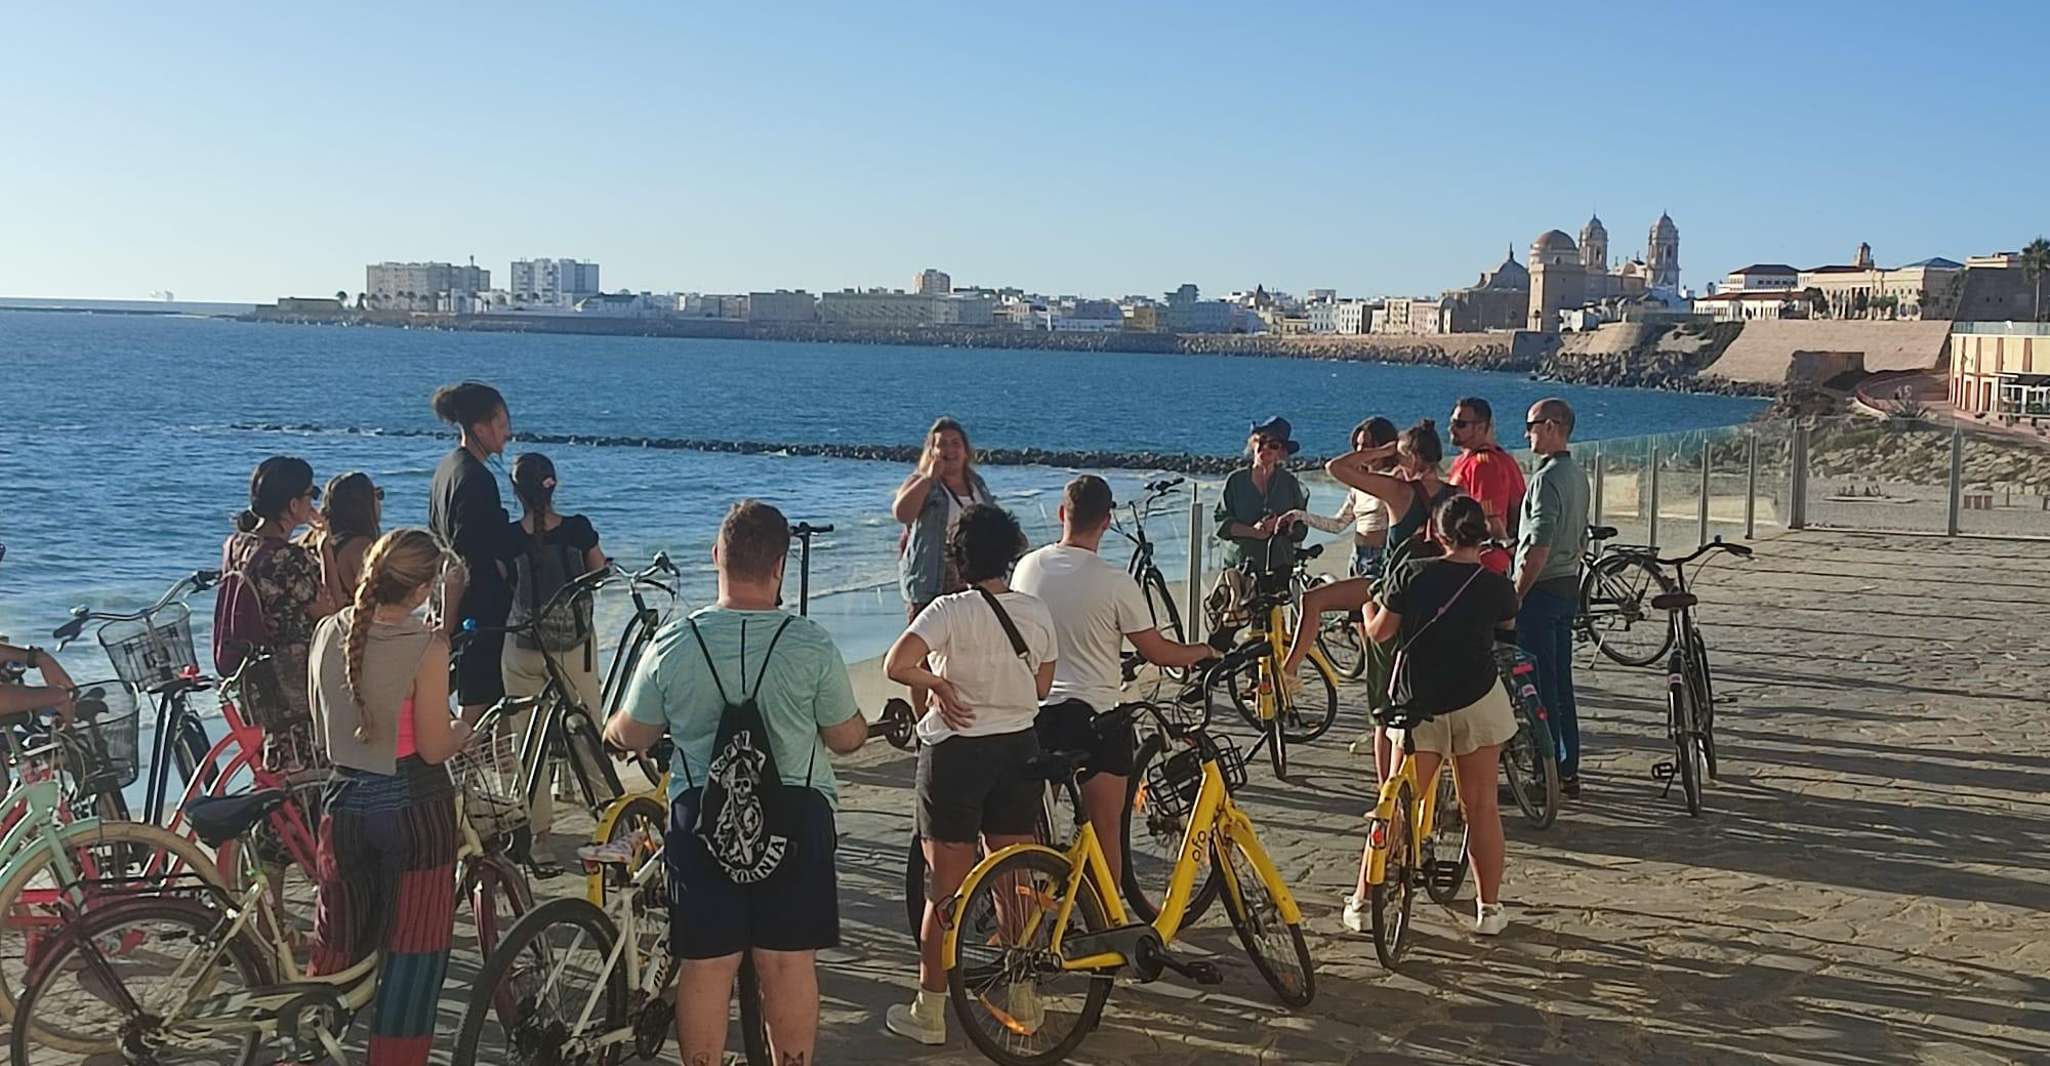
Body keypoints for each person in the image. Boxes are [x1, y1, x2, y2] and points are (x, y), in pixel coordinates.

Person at [605, 500, 866, 1066]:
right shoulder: (810, 643)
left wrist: (614, 729)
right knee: (787, 963)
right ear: (779, 566)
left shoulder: (673, 643)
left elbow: (634, 731)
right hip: (797, 814)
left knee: (707, 965)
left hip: (702, 814)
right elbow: (846, 737)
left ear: (716, 557)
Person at [882, 503, 1055, 1046]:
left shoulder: (948, 611)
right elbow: (1042, 687)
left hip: (956, 755)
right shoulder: (1035, 612)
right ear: (1010, 555)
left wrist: (937, 685)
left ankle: (930, 1011)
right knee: (1014, 881)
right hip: (1018, 750)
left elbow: (896, 664)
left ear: (958, 558)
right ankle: (1022, 996)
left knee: (945, 891)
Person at [306, 529, 475, 1066]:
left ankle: (308, 1048)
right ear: (423, 590)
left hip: (343, 803)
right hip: (413, 807)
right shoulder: (428, 647)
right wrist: (463, 728)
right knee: (412, 960)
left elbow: (322, 727)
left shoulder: (329, 631)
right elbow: (432, 746)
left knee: (335, 951)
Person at [1012, 476, 1216, 891]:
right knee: (1106, 829)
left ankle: (1031, 905)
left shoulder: (1027, 566)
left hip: (1036, 712)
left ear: (1061, 513)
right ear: (1106, 521)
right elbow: (1158, 652)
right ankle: (1105, 914)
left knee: (1032, 824)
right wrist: (1203, 651)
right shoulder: (1116, 582)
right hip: (1095, 718)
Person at [1342, 495, 1519, 938]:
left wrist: (1367, 608)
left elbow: (1380, 633)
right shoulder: (1496, 585)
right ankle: (1489, 909)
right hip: (1476, 700)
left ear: (1436, 534)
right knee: (1482, 807)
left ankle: (1363, 902)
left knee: (1396, 804)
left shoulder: (1412, 574)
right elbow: (1507, 629)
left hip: (1418, 705)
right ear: (1482, 534)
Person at [1279, 420, 1458, 774]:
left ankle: (1385, 790)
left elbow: (1335, 467)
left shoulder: (1400, 491)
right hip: (1438, 598)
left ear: (1411, 457)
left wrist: (1385, 451)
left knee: (1383, 711)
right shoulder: (1456, 494)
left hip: (1394, 592)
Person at [502, 452, 608, 859]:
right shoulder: (578, 529)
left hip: (523, 646)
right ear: (553, 485)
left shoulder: (508, 537)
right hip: (572, 649)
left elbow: (506, 581)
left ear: (516, 492)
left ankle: (539, 836)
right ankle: (608, 819)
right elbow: (597, 572)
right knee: (587, 732)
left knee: (528, 740)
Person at [426, 382, 524, 720]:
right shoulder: (476, 479)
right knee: (479, 710)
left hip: (452, 604)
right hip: (477, 614)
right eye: (502, 424)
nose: (508, 433)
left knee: (478, 707)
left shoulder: (447, 469)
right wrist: (449, 622)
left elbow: (439, 547)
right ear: (480, 428)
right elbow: (465, 559)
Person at [217, 456, 340, 725]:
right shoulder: (289, 558)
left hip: (252, 675)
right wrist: (325, 548)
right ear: (293, 505)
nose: (314, 502)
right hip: (292, 683)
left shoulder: (236, 544)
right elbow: (331, 612)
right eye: (311, 494)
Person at [1514, 398, 1592, 799]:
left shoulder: (1546, 480)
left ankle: (1547, 775)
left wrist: (1516, 594)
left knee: (1540, 686)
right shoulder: (1577, 475)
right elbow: (1581, 538)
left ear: (1552, 426)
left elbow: (1538, 545)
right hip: (1567, 586)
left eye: (1531, 425)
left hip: (1542, 591)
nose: (1526, 433)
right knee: (1561, 683)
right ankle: (1566, 767)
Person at [892, 417, 992, 713]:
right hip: (930, 578)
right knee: (922, 657)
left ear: (966, 449)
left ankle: (957, 709)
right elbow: (902, 513)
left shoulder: (976, 483)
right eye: (942, 445)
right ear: (931, 451)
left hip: (969, 578)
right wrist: (929, 479)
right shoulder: (922, 482)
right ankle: (923, 722)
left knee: (962, 651)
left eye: (955, 443)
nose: (949, 450)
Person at [1210, 416, 1310, 644]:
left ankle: (1262, 668)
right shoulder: (1236, 481)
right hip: (1241, 567)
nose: (1265, 448)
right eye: (1261, 441)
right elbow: (1221, 524)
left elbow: (1301, 528)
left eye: (1273, 444)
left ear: (1281, 452)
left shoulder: (1289, 483)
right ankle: (1210, 663)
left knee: (1267, 633)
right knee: (1224, 629)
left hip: (1277, 566)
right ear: (1252, 443)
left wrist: (1282, 526)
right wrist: (1253, 531)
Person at [1288, 417, 1399, 581]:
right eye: (1358, 445)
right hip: (1358, 556)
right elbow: (1338, 525)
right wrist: (1298, 516)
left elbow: (1334, 467)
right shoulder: (1359, 486)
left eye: (1368, 445)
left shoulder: (1394, 479)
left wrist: (1384, 451)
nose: (1360, 451)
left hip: (1381, 558)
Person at [1447, 397, 1528, 542]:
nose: (1451, 429)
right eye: (1452, 422)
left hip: (1478, 551)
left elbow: (1492, 523)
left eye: (1460, 424)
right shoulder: (1468, 460)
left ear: (1480, 427)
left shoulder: (1484, 465)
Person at [311, 471, 382, 603]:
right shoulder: (360, 547)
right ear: (364, 504)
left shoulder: (314, 539)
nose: (379, 502)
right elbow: (377, 600)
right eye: (378, 495)